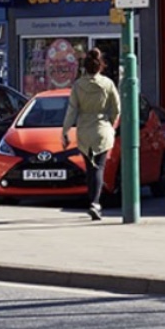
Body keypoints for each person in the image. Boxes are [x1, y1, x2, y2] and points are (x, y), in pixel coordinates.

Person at [62, 47, 120, 221]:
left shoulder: (78, 85)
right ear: (100, 66)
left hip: (84, 130)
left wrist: (65, 131)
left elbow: (72, 110)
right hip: (102, 129)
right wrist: (110, 124)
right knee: (99, 167)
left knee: (89, 168)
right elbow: (117, 108)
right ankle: (96, 203)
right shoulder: (108, 84)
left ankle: (92, 201)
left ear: (85, 67)